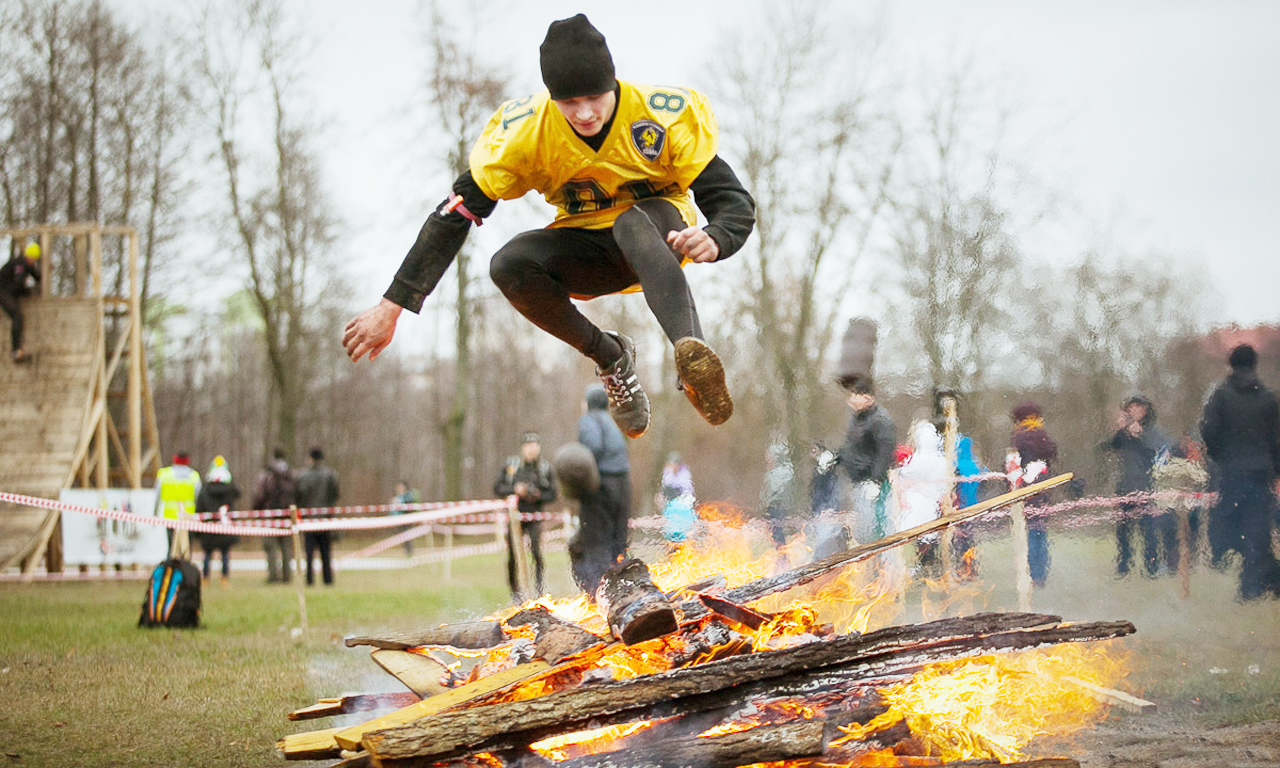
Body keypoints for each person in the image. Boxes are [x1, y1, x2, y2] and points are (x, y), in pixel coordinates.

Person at [342, 14, 755, 440]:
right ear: (551, 97)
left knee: (632, 224)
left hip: (659, 235)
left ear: (612, 83)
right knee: (507, 264)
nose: (584, 113)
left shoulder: (660, 114)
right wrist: (393, 305)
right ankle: (610, 357)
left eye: (595, 97)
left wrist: (716, 236)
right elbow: (454, 215)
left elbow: (732, 200)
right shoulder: (525, 131)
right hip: (588, 247)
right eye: (568, 102)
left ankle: (692, 357)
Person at [1199, 344, 1280, 600]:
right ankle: (1258, 584)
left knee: (1227, 530)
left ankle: (1254, 585)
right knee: (1256, 529)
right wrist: (1275, 470)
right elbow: (1276, 439)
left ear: (1230, 365)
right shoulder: (1268, 399)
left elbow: (1208, 430)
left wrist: (1220, 456)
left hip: (1232, 472)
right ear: (1254, 365)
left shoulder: (1221, 396)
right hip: (1260, 473)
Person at [1102, 395, 1173, 577]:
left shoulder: (1152, 431)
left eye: (1140, 408)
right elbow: (1107, 447)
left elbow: (1159, 453)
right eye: (1132, 408)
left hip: (1146, 487)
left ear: (1146, 410)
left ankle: (1152, 567)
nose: (1136, 411)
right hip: (1125, 487)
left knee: (1148, 531)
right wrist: (1119, 431)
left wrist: (1139, 435)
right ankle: (1123, 567)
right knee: (1123, 532)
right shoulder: (1123, 434)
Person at [574, 383, 631, 595]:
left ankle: (598, 594)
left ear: (589, 403)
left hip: (601, 487)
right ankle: (623, 592)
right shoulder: (614, 423)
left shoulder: (590, 420)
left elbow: (593, 447)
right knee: (617, 544)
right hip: (623, 486)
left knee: (596, 543)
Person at [493, 432, 558, 601]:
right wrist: (515, 489)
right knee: (513, 554)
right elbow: (497, 488)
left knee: (536, 553)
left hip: (535, 516)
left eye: (535, 445)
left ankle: (539, 588)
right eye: (528, 446)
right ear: (523, 448)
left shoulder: (544, 468)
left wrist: (538, 495)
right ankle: (515, 591)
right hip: (515, 517)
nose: (532, 449)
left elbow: (553, 494)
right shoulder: (512, 466)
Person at [836, 374, 897, 545]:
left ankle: (883, 569)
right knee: (863, 531)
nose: (851, 399)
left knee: (877, 532)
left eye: (855, 394)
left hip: (872, 484)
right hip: (859, 482)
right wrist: (835, 458)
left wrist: (876, 480)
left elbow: (886, 451)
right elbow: (852, 449)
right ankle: (871, 568)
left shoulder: (880, 420)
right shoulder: (857, 420)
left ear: (867, 397)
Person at [1009, 401, 1058, 588]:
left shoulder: (1019, 437)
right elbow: (1052, 455)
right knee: (1039, 532)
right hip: (1041, 490)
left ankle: (1033, 573)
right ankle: (1039, 573)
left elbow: (1012, 465)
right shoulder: (1041, 436)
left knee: (1031, 533)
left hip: (1025, 490)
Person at [296, 447, 340, 586]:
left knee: (309, 552)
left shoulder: (302, 476)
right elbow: (335, 494)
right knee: (325, 551)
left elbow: (299, 497)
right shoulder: (330, 474)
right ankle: (328, 579)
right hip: (325, 518)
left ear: (311, 458)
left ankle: (309, 579)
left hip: (309, 519)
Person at [195, 455, 241, 586]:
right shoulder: (229, 488)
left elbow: (200, 507)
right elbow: (238, 494)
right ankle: (224, 578)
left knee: (207, 555)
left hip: (209, 527)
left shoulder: (205, 489)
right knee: (225, 554)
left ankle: (205, 578)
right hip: (224, 526)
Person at [253, 448, 296, 583]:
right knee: (286, 548)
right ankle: (287, 576)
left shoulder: (267, 474)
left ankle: (273, 576)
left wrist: (257, 510)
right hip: (288, 515)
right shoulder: (291, 473)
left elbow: (260, 495)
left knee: (271, 548)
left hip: (270, 515)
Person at [0, 241, 41, 363]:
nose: (33, 261)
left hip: (7, 291)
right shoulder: (20, 264)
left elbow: (37, 276)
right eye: (33, 259)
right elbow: (18, 283)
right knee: (16, 317)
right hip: (2, 291)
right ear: (30, 257)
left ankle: (17, 351)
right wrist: (28, 291)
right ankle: (16, 351)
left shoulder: (27, 265)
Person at [155, 451, 201, 554]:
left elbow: (157, 496)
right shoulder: (194, 476)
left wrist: (155, 513)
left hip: (170, 517)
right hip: (188, 517)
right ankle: (185, 569)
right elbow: (198, 497)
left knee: (172, 549)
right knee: (186, 550)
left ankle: (171, 569)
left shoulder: (164, 474)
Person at [658, 452, 697, 545]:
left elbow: (686, 491)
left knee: (683, 533)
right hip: (670, 507)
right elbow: (665, 488)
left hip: (682, 507)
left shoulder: (685, 475)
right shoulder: (667, 474)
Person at [391, 481, 422, 556]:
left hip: (408, 519)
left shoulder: (408, 496)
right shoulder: (397, 497)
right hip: (400, 519)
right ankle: (407, 551)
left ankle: (409, 551)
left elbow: (409, 506)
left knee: (408, 535)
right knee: (404, 536)